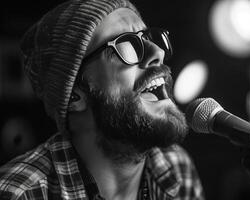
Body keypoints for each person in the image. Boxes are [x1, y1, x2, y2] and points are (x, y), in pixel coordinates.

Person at [0, 0, 204, 199]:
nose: (158, 52)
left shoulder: (176, 168)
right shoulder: (20, 193)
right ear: (75, 96)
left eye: (150, 38)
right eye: (127, 44)